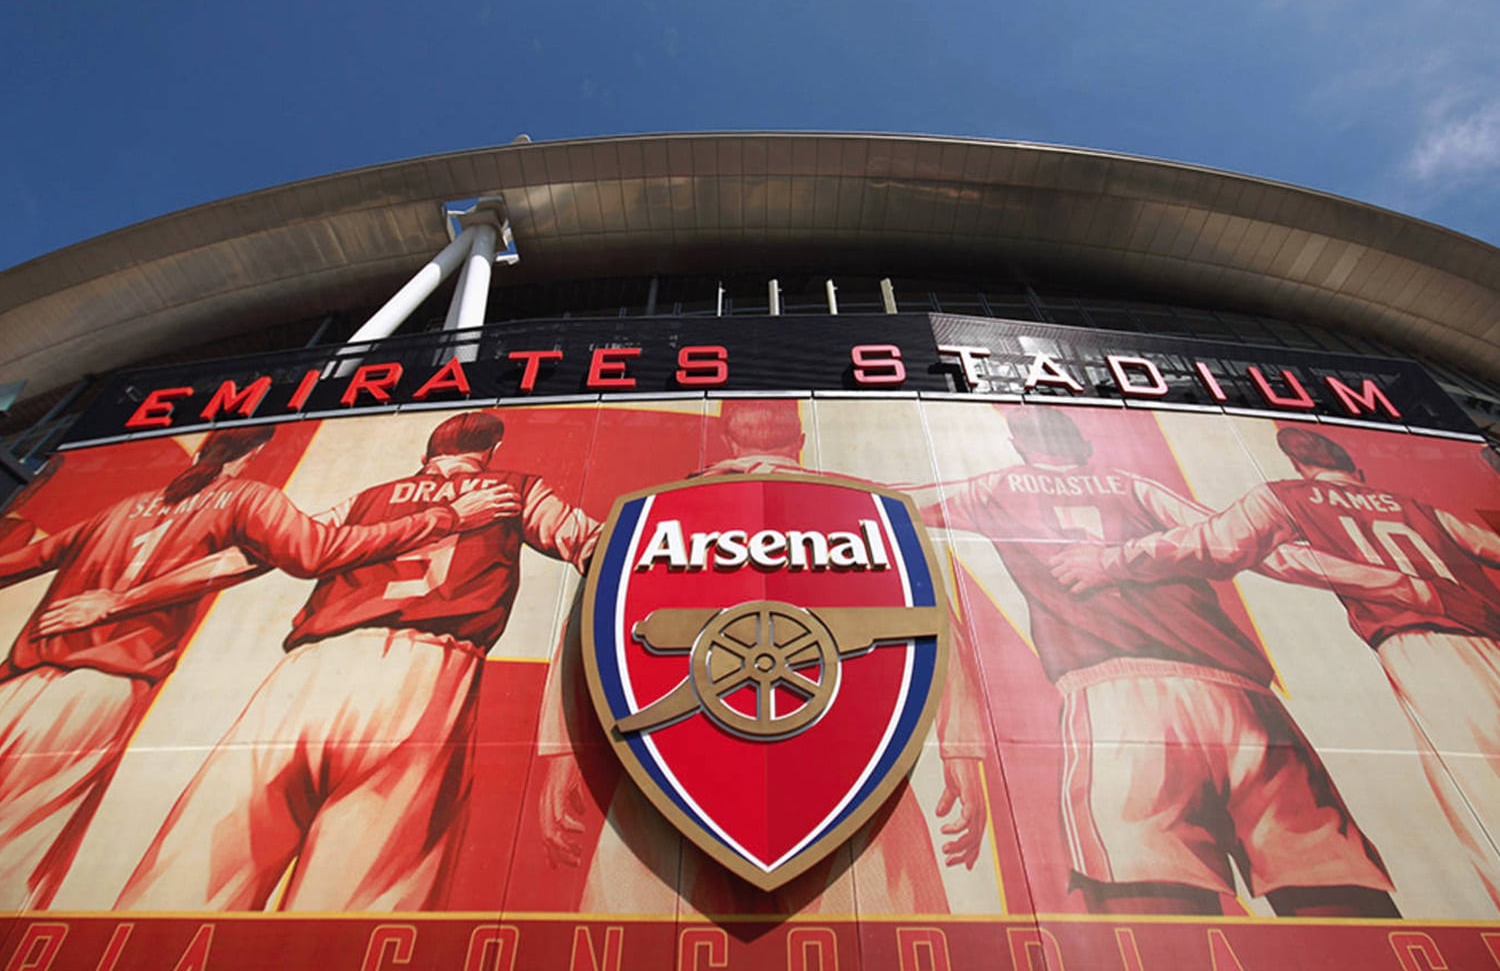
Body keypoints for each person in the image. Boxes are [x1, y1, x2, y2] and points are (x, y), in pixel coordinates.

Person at [907, 406, 1400, 917]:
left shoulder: (992, 487)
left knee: (1154, 905)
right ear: (1082, 443)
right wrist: (1393, 582)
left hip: (1120, 700)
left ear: (1018, 446)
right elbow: (1244, 545)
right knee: (1333, 886)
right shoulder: (1133, 486)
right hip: (1242, 697)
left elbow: (892, 501)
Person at [0, 425, 511, 909]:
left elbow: (24, 561)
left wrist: (113, 596)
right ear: (254, 453)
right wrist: (446, 517)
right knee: (15, 854)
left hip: (15, 683)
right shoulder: (248, 499)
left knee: (198, 868)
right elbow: (314, 553)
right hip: (94, 687)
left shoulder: (121, 509)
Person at [112, 411, 599, 912]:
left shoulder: (368, 498)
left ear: (426, 456)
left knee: (185, 884)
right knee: (356, 908)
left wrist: (122, 601)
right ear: (490, 453)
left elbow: (255, 556)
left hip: (307, 671)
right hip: (426, 674)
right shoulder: (515, 490)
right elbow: (595, 544)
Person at [536, 400, 989, 914]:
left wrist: (561, 753)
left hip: (673, 773)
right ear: (799, 441)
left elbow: (590, 625)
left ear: (726, 441)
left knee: (642, 924)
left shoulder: (650, 516)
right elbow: (934, 623)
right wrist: (961, 751)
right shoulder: (868, 513)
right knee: (880, 921)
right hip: (847, 773)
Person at [1050, 425, 1500, 901]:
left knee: (1479, 789)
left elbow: (1217, 546)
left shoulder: (1285, 495)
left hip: (1426, 643)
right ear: (1357, 468)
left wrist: (1112, 561)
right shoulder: (1419, 509)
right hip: (1488, 633)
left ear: (1299, 466)